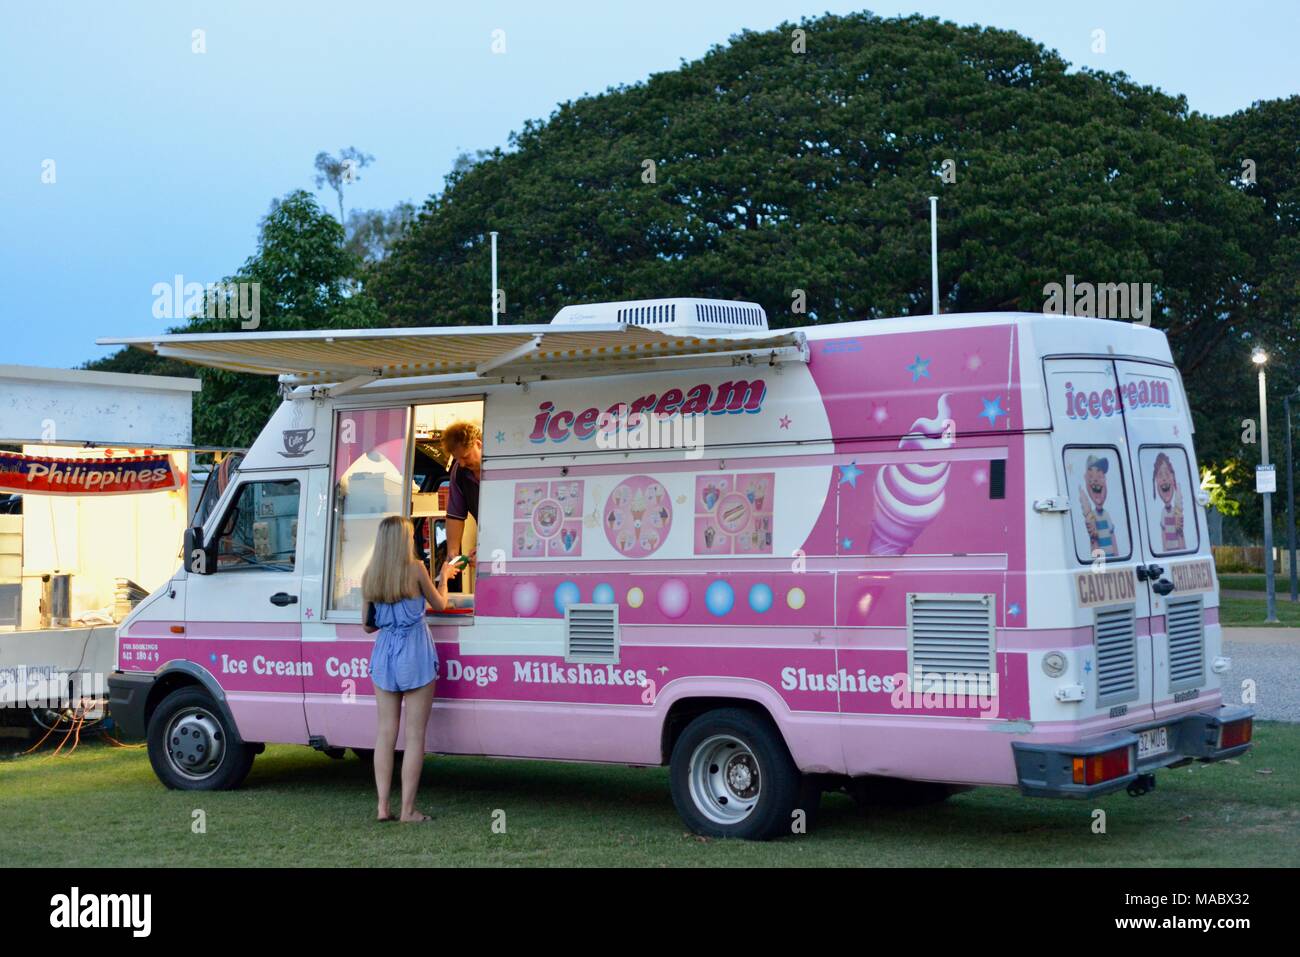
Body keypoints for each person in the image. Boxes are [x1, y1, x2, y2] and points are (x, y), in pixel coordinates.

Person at [361, 515, 460, 823]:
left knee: (385, 733)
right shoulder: (416, 569)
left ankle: (381, 807)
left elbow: (366, 626)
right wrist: (444, 576)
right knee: (415, 736)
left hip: (384, 653)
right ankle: (407, 810)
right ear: (404, 540)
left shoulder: (370, 575)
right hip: (415, 652)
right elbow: (441, 604)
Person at [440, 421, 481, 569]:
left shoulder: (502, 467)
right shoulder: (459, 473)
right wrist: (452, 552)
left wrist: (490, 550)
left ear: (479, 444)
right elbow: (455, 515)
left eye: (465, 456)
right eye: (457, 459)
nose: (462, 464)